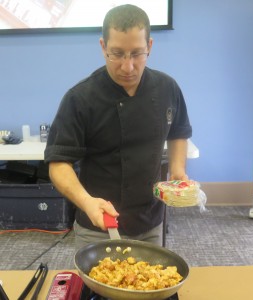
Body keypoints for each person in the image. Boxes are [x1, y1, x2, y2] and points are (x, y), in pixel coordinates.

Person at [44, 4, 192, 250]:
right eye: (117, 54)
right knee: (97, 288)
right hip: (98, 224)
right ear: (103, 47)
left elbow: (179, 131)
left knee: (152, 286)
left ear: (150, 47)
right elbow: (58, 164)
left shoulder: (167, 88)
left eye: (136, 53)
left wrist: (177, 169)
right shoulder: (80, 98)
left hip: (150, 221)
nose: (127, 67)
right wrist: (87, 202)